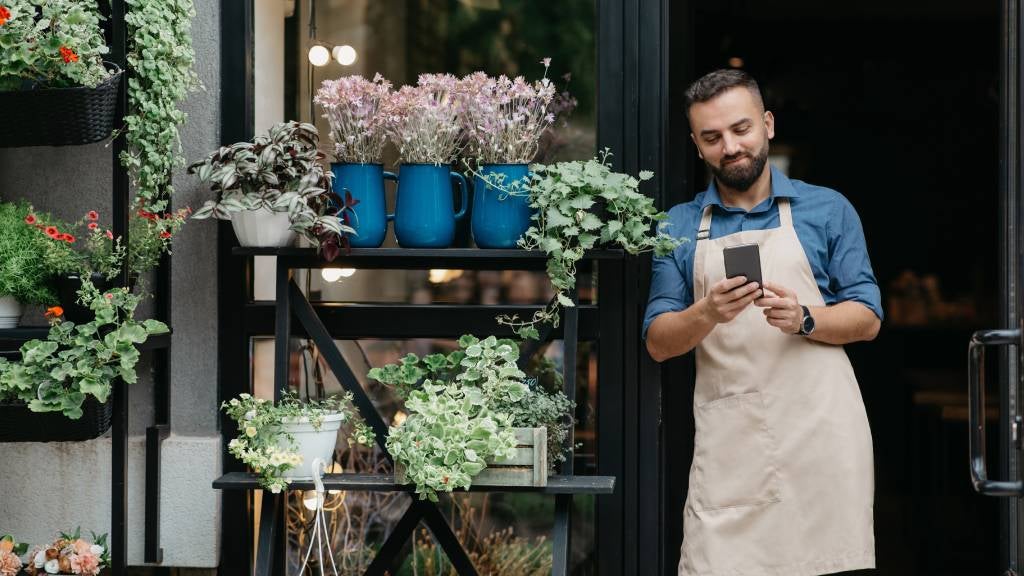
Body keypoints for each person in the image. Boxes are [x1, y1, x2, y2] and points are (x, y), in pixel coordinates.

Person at [643, 69, 883, 576]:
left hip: (822, 441)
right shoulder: (680, 226)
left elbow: (867, 317)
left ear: (767, 125)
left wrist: (805, 318)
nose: (730, 147)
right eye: (712, 137)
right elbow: (659, 343)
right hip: (733, 444)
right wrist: (707, 311)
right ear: (696, 145)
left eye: (741, 129)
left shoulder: (827, 209)